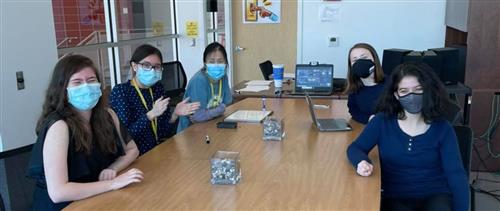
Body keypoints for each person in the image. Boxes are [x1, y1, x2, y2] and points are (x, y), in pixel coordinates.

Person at [27, 55, 144, 210]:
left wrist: (113, 168)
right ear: (63, 89)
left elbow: (132, 150)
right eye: (77, 82)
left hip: (96, 196)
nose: (86, 86)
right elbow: (58, 192)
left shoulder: (108, 115)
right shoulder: (59, 126)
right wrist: (112, 183)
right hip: (65, 206)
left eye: (91, 80)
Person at [346, 62, 468, 211]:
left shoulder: (443, 128)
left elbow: (456, 174)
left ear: (427, 90)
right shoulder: (381, 122)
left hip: (436, 195)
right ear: (396, 95)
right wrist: (361, 162)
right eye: (404, 91)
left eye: (418, 89)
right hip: (394, 197)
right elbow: (355, 148)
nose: (412, 96)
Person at [110, 44, 200, 154]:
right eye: (146, 65)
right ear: (134, 66)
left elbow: (163, 132)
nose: (152, 70)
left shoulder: (157, 88)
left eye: (157, 67)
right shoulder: (121, 92)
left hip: (159, 150)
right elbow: (124, 137)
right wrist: (150, 115)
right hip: (135, 155)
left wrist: (175, 114)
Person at [177, 42, 232, 132]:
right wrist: (219, 110)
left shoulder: (223, 77)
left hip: (211, 126)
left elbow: (228, 104)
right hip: (190, 131)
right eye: (211, 61)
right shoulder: (199, 80)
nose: (216, 65)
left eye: (220, 61)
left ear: (226, 62)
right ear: (205, 63)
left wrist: (209, 113)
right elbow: (198, 117)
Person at [344, 43, 385, 124]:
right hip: (367, 128)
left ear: (374, 59)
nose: (360, 62)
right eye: (355, 60)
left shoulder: (392, 83)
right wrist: (368, 119)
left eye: (364, 57)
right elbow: (353, 110)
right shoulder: (354, 87)